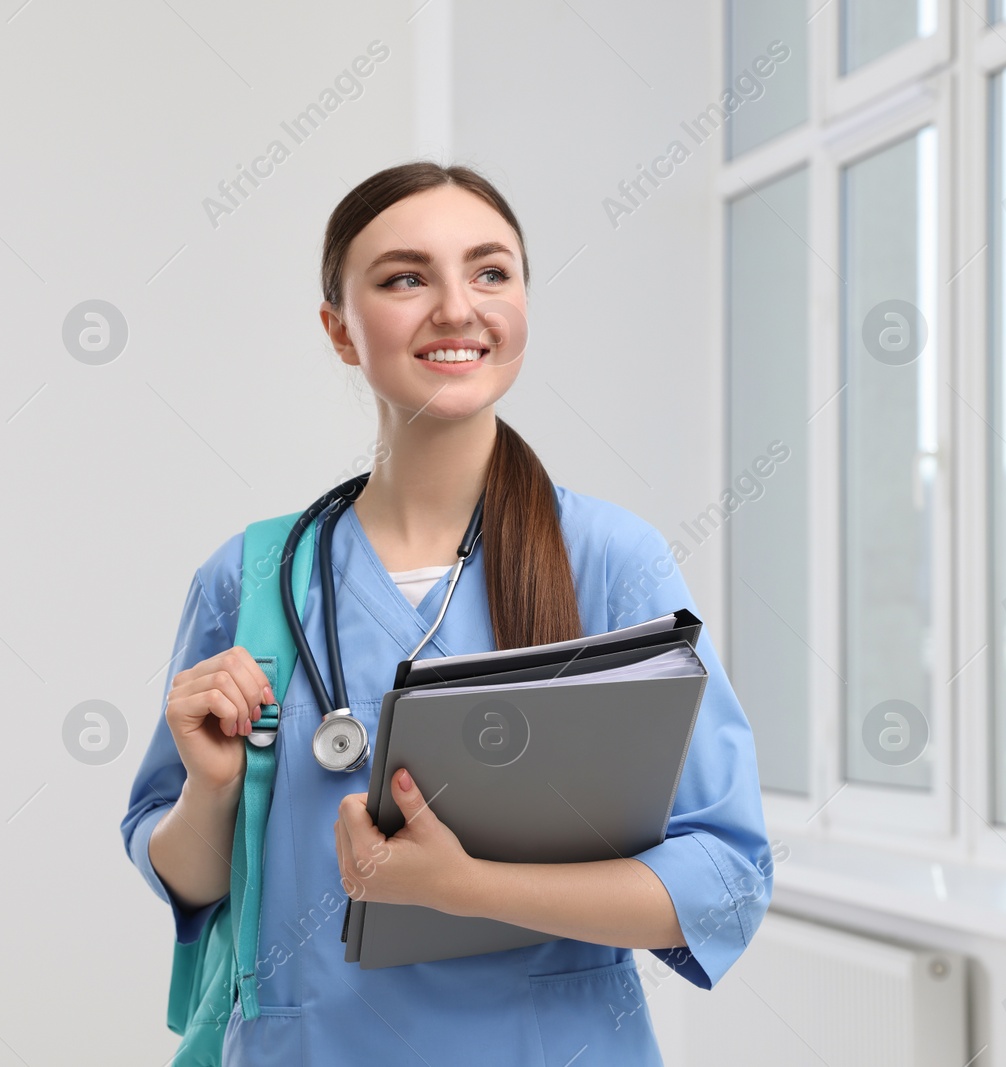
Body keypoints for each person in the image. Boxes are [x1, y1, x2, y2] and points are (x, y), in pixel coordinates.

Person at [119, 161, 774, 1065]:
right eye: (405, 277)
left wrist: (468, 886)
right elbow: (186, 882)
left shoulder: (612, 561)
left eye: (490, 272)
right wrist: (214, 786)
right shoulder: (254, 576)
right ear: (340, 331)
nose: (458, 308)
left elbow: (724, 879)